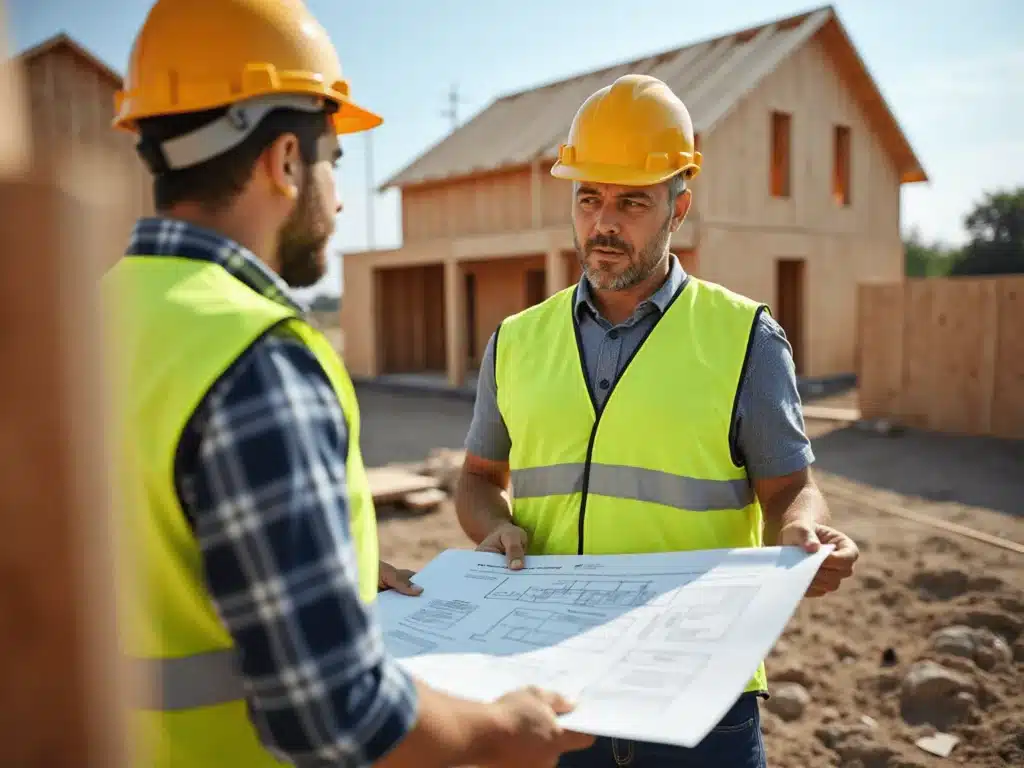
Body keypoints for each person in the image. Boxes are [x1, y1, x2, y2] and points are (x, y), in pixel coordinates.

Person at [101, 1, 595, 766]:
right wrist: (501, 732)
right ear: (286, 161)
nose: (337, 198)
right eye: (334, 160)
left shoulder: (83, 320)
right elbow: (333, 713)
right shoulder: (254, 357)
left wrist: (336, 572)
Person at [453, 73, 861, 767]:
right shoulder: (515, 341)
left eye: (631, 201)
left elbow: (791, 487)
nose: (604, 223)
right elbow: (477, 478)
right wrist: (494, 524)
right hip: (551, 685)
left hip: (698, 695)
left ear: (679, 206)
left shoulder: (746, 338)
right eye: (589, 198)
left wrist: (800, 526)